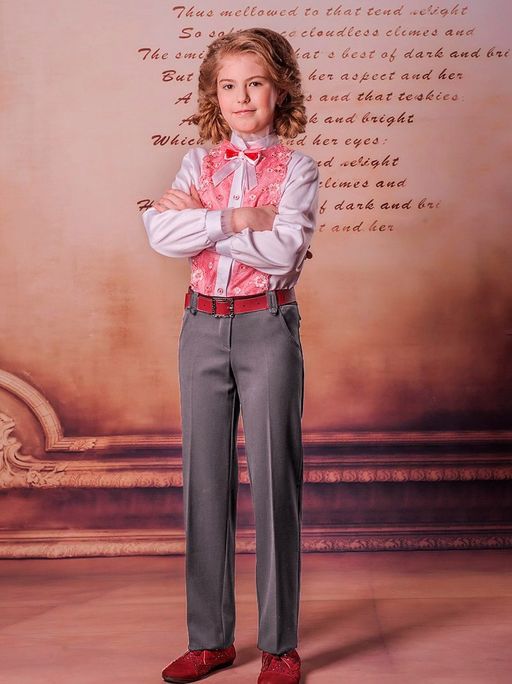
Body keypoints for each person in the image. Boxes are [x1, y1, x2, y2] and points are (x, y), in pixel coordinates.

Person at [142, 27, 319, 684]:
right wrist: (239, 219)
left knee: (275, 481)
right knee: (204, 480)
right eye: (228, 85)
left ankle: (279, 646)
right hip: (201, 327)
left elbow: (284, 251)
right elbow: (160, 234)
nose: (241, 97)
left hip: (267, 325)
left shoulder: (298, 169)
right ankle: (210, 639)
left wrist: (203, 224)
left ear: (280, 90)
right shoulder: (196, 163)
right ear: (213, 96)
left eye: (255, 83)